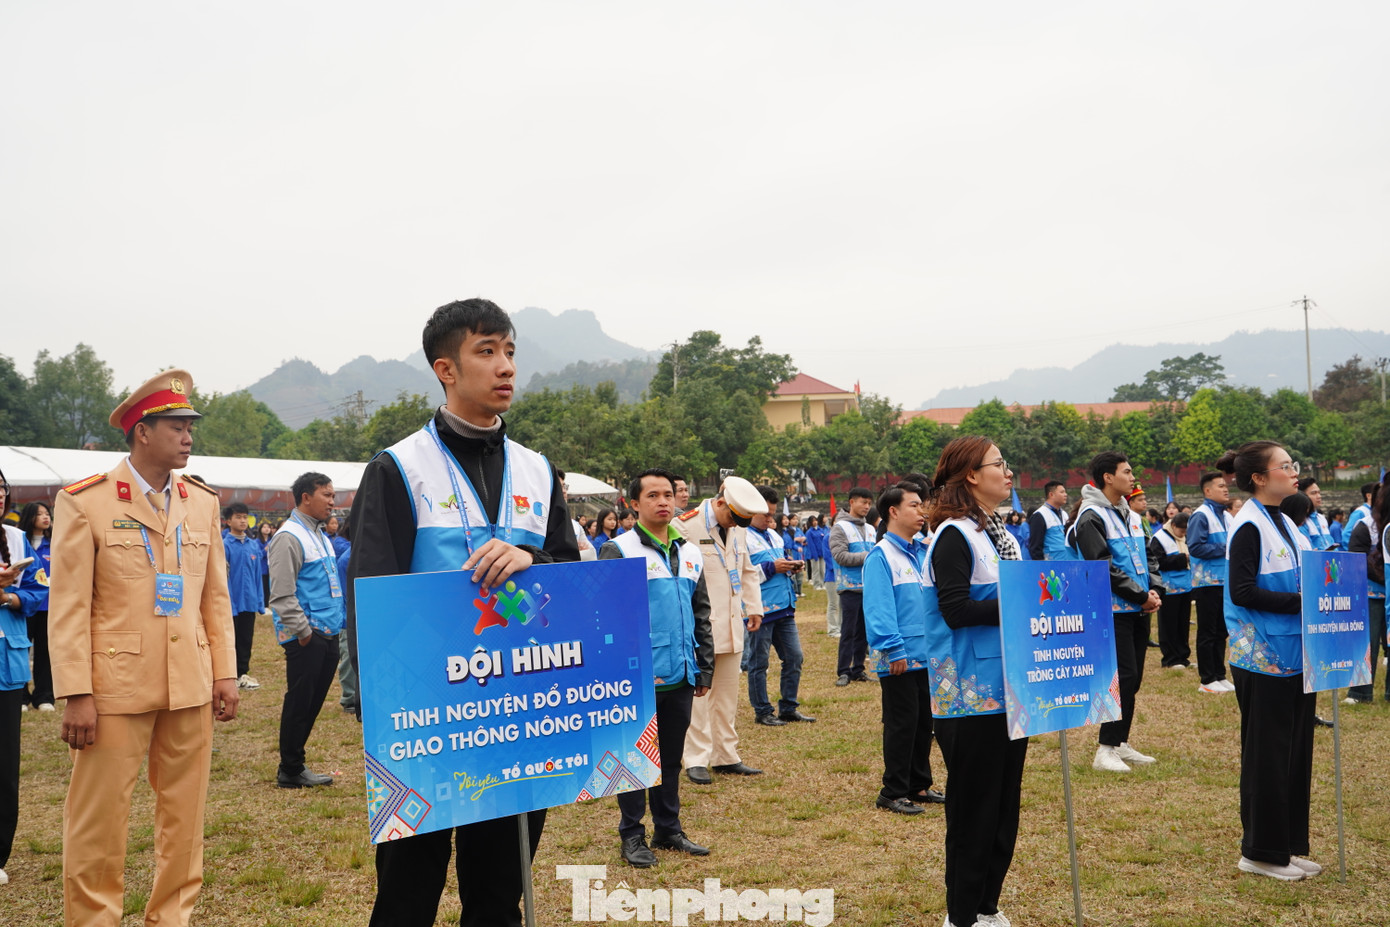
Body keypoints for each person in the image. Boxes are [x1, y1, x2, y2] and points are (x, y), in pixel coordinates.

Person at [346, 298, 578, 927]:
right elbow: (369, 593)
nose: (505, 366)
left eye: (509, 351)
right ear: (445, 369)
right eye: (486, 352)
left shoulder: (538, 469)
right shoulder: (398, 468)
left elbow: (572, 578)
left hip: (519, 712)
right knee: (408, 892)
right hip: (428, 714)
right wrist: (382, 709)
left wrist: (533, 557)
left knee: (501, 889)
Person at [50, 369, 240, 924]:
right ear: (142, 432)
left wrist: (224, 673)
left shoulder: (200, 501)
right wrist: (76, 692)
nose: (188, 435)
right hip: (113, 687)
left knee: (185, 820)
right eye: (177, 425)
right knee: (99, 822)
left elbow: (215, 598)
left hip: (189, 681)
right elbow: (67, 608)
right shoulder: (86, 502)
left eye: (189, 425)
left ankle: (171, 918)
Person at [921, 437, 1023, 927]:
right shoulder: (954, 536)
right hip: (968, 695)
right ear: (970, 476)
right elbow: (956, 610)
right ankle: (960, 916)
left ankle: (987, 906)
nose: (1008, 472)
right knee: (973, 812)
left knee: (1004, 808)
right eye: (998, 464)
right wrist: (1025, 603)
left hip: (1010, 689)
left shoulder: (1001, 533)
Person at [599, 468, 714, 867]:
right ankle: (632, 835)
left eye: (668, 494)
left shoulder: (690, 550)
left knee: (669, 757)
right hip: (638, 676)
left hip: (681, 672)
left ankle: (669, 828)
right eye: (652, 495)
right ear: (634, 503)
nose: (663, 501)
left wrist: (704, 665)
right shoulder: (620, 549)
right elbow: (606, 619)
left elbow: (701, 612)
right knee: (633, 759)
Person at [1222, 442, 1319, 881]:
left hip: (1296, 653)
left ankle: (1287, 846)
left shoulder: (1283, 520)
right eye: (1284, 466)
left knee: (1295, 753)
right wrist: (1302, 601)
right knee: (1268, 754)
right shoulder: (1248, 526)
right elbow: (1242, 592)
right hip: (1263, 657)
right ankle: (1259, 851)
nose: (1293, 472)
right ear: (1260, 477)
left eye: (1292, 465)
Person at [1068, 452, 1162, 773]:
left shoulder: (1132, 515)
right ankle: (1105, 749)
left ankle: (1120, 742)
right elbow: (1102, 566)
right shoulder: (1091, 516)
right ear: (1108, 477)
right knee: (1122, 678)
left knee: (1133, 680)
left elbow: (1149, 556)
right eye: (1127, 471)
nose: (1133, 477)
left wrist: (1154, 590)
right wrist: (1139, 595)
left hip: (1139, 607)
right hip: (1112, 611)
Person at [677, 476, 765, 785]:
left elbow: (747, 569)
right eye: (731, 517)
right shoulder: (686, 526)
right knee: (700, 696)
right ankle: (697, 759)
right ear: (719, 502)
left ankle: (726, 755)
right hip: (701, 627)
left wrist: (754, 607)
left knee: (727, 695)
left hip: (732, 623)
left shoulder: (737, 529)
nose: (734, 525)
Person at [863, 482, 941, 815]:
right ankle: (892, 791)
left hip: (926, 653)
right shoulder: (881, 556)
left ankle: (918, 784)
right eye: (913, 505)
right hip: (900, 657)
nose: (922, 512)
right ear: (892, 512)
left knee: (925, 721)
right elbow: (880, 608)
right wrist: (893, 650)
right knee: (901, 722)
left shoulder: (921, 552)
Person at [268, 472, 345, 789]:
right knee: (300, 701)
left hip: (327, 632)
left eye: (333, 495)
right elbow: (282, 595)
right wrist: (304, 633)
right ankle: (290, 768)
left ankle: (296, 763)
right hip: (307, 635)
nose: (332, 502)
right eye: (326, 495)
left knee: (312, 702)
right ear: (305, 497)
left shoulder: (320, 535)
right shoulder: (289, 537)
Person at [2, 470, 45, 886]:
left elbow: (40, 591)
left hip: (8, 663)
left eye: (1, 490)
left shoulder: (15, 540)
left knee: (5, 765)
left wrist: (10, 596)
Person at [744, 486, 813, 727]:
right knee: (758, 663)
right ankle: (762, 711)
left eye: (772, 514)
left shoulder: (774, 535)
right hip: (759, 611)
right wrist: (773, 567)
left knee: (795, 657)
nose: (770, 519)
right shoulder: (740, 537)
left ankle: (788, 707)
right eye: (765, 514)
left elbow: (777, 564)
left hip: (784, 607)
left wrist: (791, 566)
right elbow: (742, 576)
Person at [1187, 470, 1235, 694]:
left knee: (1221, 631)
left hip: (1225, 581)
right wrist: (1226, 549)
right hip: (1207, 583)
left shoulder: (1227, 516)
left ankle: (1219, 675)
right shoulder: (1201, 515)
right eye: (1220, 486)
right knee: (1207, 631)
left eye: (1225, 485)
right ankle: (1207, 679)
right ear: (1207, 491)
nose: (1226, 489)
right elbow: (1195, 547)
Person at [1344, 473, 1390, 705]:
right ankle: (1360, 692)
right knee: (1367, 643)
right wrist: (1382, 577)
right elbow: (1356, 557)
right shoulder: (1366, 525)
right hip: (1371, 594)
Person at [831, 487, 876, 686]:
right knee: (848, 631)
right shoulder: (840, 528)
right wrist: (867, 557)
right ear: (851, 502)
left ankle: (858, 668)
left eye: (869, 503)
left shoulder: (871, 529)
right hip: (849, 587)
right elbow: (840, 556)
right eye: (863, 502)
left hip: (870, 587)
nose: (867, 506)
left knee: (864, 632)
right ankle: (843, 671)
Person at [222, 502, 264, 690]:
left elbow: (257, 577)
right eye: (238, 517)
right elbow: (224, 577)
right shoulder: (224, 546)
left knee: (246, 638)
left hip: (249, 602)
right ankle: (230, 674)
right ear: (229, 521)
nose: (242, 521)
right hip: (232, 603)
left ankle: (243, 673)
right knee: (231, 639)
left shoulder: (252, 546)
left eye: (245, 517)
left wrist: (260, 602)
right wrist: (228, 602)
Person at [19, 501, 54, 710]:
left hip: (49, 607)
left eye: (47, 513)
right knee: (21, 651)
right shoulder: (17, 542)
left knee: (45, 652)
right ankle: (21, 696)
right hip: (23, 606)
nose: (45, 517)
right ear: (29, 517)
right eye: (40, 514)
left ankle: (44, 697)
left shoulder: (56, 543)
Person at [1152, 512, 1193, 669]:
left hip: (1185, 586)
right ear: (1173, 526)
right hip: (1168, 589)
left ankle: (1183, 657)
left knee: (1182, 624)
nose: (1183, 534)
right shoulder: (1159, 538)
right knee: (1169, 625)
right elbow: (1158, 562)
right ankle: (1170, 658)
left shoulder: (1184, 539)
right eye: (1181, 530)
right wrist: (1184, 559)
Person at [334, 518, 359, 715]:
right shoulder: (347, 558)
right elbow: (344, 592)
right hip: (346, 617)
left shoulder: (359, 555)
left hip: (361, 613)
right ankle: (348, 698)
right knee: (348, 658)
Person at [1027, 480, 1072, 561]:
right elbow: (1035, 547)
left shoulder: (1064, 514)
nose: (1065, 495)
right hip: (1050, 566)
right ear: (1051, 494)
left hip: (1066, 562)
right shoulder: (1039, 515)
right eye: (1062, 492)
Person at [1295, 477, 1338, 550]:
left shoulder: (1321, 518)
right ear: (1303, 495)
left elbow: (1330, 542)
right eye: (1314, 493)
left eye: (1319, 493)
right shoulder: (1301, 520)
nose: (1319, 496)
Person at [258, 519, 276, 604]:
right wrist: (265, 549)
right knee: (263, 586)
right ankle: (263, 603)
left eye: (268, 527)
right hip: (262, 568)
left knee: (269, 587)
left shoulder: (273, 540)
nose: (266, 529)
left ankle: (268, 603)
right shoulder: (256, 542)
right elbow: (258, 555)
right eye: (264, 527)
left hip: (271, 567)